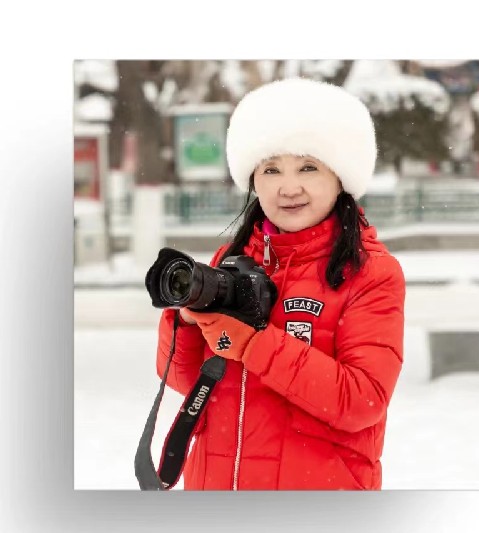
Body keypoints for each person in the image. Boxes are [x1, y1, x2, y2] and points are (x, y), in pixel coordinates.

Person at [156, 77, 406, 490]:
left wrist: (254, 344)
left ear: (340, 176)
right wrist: (185, 320)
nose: (288, 188)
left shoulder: (370, 273)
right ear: (253, 179)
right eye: (271, 169)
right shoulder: (229, 262)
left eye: (308, 167)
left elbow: (361, 401)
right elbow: (185, 381)